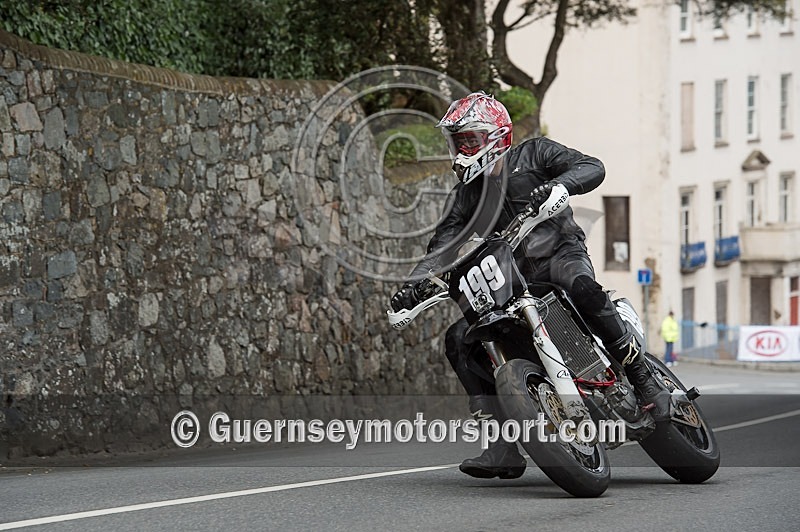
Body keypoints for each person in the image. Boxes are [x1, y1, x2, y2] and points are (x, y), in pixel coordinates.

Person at [390, 92, 670, 479]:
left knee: (581, 286)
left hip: (559, 254)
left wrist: (561, 186)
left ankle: (640, 376)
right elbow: (442, 246)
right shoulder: (466, 196)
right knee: (459, 340)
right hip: (512, 280)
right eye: (458, 142)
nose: (461, 150)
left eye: (469, 140)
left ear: (495, 136)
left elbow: (592, 166)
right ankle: (502, 444)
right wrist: (414, 285)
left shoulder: (535, 154)